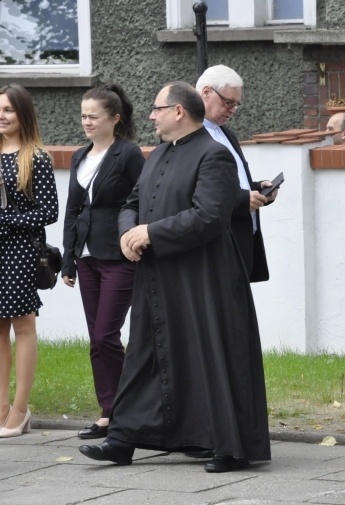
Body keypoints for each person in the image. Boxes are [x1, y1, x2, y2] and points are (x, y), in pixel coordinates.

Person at [78, 81, 270, 473]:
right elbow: (131, 203)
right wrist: (129, 233)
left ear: (179, 111)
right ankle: (123, 439)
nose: (151, 115)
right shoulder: (158, 154)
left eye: (157, 108)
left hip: (204, 279)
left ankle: (226, 447)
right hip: (159, 275)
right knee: (147, 354)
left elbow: (210, 216)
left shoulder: (214, 155)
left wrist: (151, 233)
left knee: (209, 356)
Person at [61, 84, 145, 440]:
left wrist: (138, 238)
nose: (86, 122)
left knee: (105, 335)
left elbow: (143, 198)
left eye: (93, 116)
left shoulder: (127, 154)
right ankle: (109, 413)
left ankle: (130, 409)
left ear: (115, 118)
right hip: (87, 258)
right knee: (97, 340)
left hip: (119, 255)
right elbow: (72, 209)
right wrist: (68, 259)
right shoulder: (81, 156)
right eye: (83, 116)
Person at [0, 84, 59, 438]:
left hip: (20, 251)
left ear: (23, 114)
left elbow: (48, 211)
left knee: (22, 326)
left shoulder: (35, 156)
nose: (1, 116)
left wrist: (6, 219)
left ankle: (20, 411)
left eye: (7, 109)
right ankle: (1, 408)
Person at [196, 64, 277, 282]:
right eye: (228, 102)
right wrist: (242, 199)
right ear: (206, 92)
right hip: (216, 245)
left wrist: (258, 189)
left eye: (236, 104)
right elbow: (195, 192)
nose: (232, 109)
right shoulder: (189, 136)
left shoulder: (226, 134)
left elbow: (232, 182)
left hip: (242, 239)